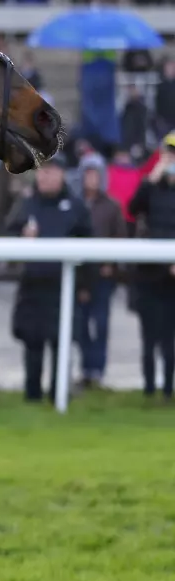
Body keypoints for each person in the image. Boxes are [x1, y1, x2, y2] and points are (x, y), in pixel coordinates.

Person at [6, 160, 93, 403]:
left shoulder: (75, 207)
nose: (45, 177)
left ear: (62, 175)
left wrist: (85, 285)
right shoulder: (25, 204)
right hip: (32, 286)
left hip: (63, 288)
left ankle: (59, 394)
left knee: (62, 343)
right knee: (33, 344)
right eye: (42, 171)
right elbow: (7, 234)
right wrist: (22, 236)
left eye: (51, 171)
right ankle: (32, 395)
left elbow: (90, 245)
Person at [127, 131, 175, 399]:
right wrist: (151, 181)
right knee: (148, 337)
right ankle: (147, 389)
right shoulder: (152, 186)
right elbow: (133, 211)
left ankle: (168, 390)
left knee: (169, 339)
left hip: (171, 277)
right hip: (148, 274)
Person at [76, 154, 126, 389]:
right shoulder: (76, 205)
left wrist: (111, 264)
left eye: (95, 174)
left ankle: (98, 369)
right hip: (81, 275)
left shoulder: (112, 206)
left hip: (103, 277)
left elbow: (121, 239)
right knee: (82, 324)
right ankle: (86, 368)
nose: (91, 179)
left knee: (102, 323)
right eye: (88, 174)